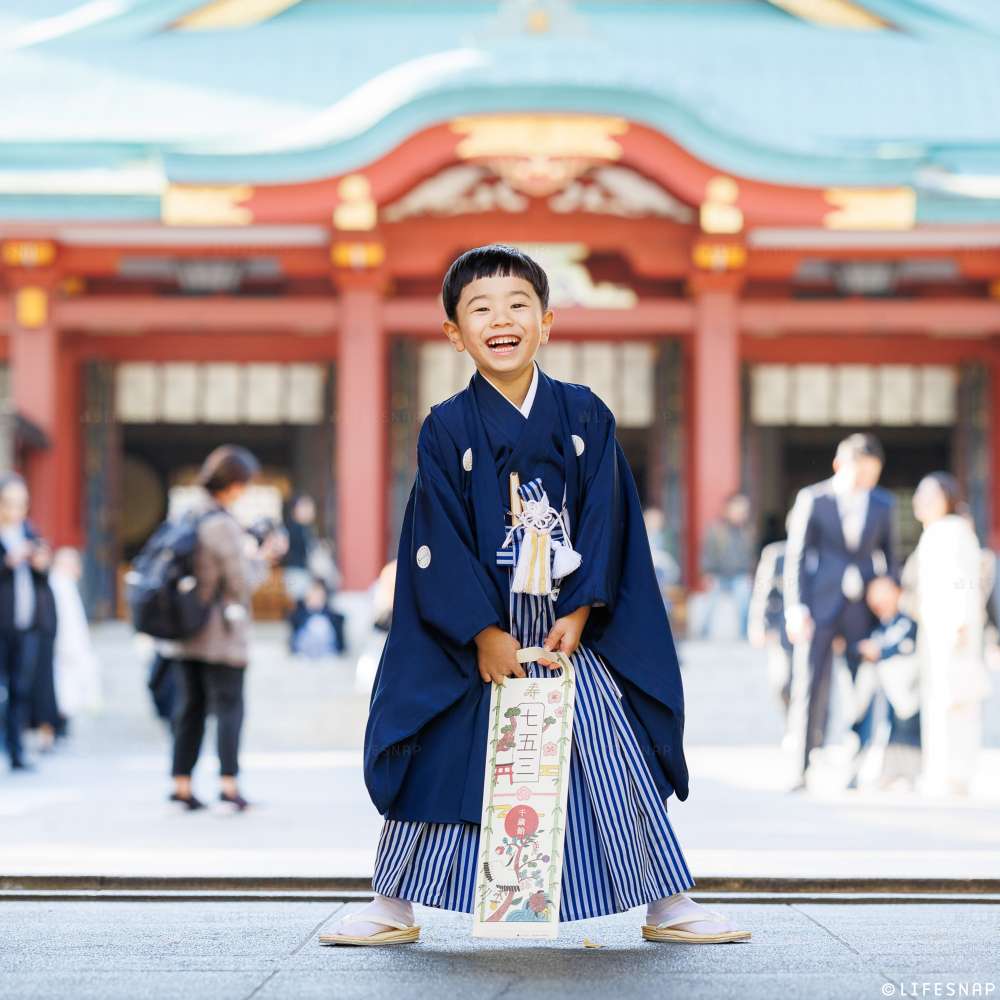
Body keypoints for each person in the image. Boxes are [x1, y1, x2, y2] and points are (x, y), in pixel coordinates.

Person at [320, 244, 749, 947]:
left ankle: (667, 902)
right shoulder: (447, 426)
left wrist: (580, 608)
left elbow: (609, 517)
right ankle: (393, 903)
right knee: (443, 750)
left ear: (546, 323)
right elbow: (436, 537)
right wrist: (483, 634)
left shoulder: (584, 415)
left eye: (518, 305)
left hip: (568, 629)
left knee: (612, 753)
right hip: (477, 635)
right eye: (480, 309)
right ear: (454, 333)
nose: (502, 320)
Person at [168, 445, 287, 812]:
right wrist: (263, 558)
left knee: (190, 709)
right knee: (229, 708)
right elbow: (240, 583)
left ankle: (181, 784)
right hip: (220, 634)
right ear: (234, 483)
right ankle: (228, 785)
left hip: (186, 629)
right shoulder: (222, 524)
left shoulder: (189, 513)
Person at [783, 433, 897, 791]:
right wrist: (795, 608)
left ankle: (856, 766)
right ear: (839, 465)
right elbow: (796, 557)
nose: (865, 482)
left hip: (862, 609)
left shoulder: (884, 503)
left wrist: (888, 586)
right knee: (809, 685)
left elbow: (892, 558)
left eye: (872, 475)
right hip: (819, 606)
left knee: (863, 687)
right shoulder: (813, 499)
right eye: (859, 473)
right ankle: (801, 768)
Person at [911, 473, 990, 797]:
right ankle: (942, 771)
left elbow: (965, 581)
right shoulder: (936, 531)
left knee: (956, 702)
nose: (924, 501)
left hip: (954, 632)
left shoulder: (953, 530)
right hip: (937, 630)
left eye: (932, 496)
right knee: (941, 701)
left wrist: (960, 622)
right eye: (921, 495)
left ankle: (954, 774)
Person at [0, 473, 54, 772]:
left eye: (21, 503)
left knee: (21, 689)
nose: (15, 510)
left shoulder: (29, 531)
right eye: (9, 503)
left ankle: (16, 751)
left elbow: (43, 575)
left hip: (27, 624)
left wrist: (40, 564)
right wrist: (7, 562)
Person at [857, 576, 921, 790]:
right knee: (886, 730)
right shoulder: (882, 626)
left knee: (907, 731)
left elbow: (904, 645)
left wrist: (880, 651)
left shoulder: (905, 622)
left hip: (907, 688)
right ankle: (890, 772)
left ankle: (908, 774)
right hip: (886, 691)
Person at [47, 547, 101, 737]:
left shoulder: (65, 585)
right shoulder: (59, 585)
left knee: (68, 688)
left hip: (72, 647)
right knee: (63, 687)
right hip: (65, 647)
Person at [748, 526, 793, 741]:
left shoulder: (820, 552)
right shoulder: (777, 554)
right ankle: (790, 723)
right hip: (781, 629)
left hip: (813, 632)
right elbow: (763, 592)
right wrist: (760, 624)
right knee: (782, 682)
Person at [697, 493, 754, 639]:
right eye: (738, 509)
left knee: (744, 602)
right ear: (728, 509)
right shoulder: (716, 530)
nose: (742, 513)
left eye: (744, 510)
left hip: (739, 575)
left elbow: (749, 555)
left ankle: (745, 633)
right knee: (709, 604)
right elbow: (708, 553)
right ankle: (702, 632)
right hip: (718, 575)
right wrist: (707, 573)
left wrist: (750, 573)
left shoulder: (747, 531)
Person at [288, 577, 346, 658]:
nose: (315, 599)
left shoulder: (335, 618)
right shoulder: (297, 616)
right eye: (313, 596)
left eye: (318, 596)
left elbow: (340, 645)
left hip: (328, 657)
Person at [282, 495, 317, 603]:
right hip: (295, 573)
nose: (308, 511)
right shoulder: (292, 528)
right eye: (304, 507)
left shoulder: (307, 529)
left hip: (304, 573)